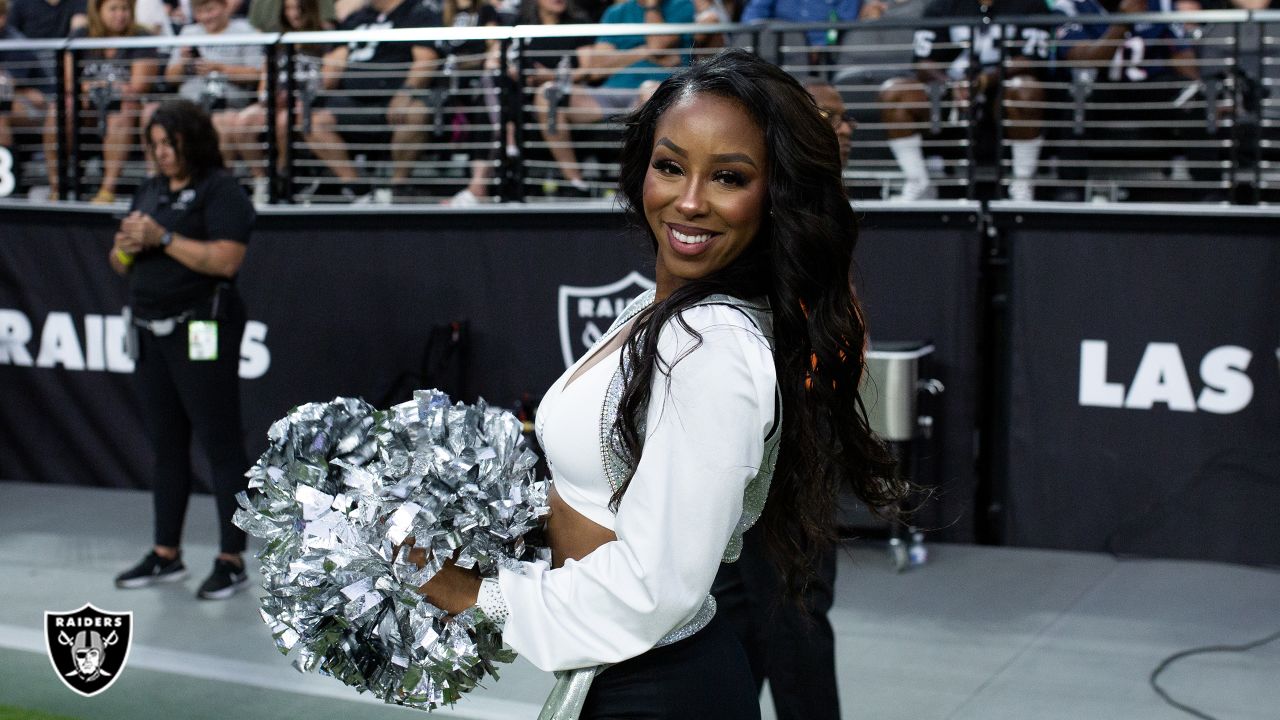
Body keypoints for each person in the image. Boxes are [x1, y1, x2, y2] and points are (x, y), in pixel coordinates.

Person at [413, 49, 902, 718]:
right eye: (670, 166)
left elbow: (655, 587)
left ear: (775, 192)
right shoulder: (661, 312)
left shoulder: (709, 346)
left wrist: (468, 593)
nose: (690, 200)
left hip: (658, 686)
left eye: (729, 176)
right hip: (625, 671)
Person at [708, 78, 854, 720]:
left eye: (848, 119)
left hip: (800, 434)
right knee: (743, 608)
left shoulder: (825, 210)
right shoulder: (771, 211)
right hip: (759, 430)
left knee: (787, 609)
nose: (845, 128)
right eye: (830, 117)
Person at [110, 98, 256, 601]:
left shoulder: (222, 191)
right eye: (154, 145)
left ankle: (231, 558)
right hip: (150, 330)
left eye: (170, 144)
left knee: (219, 442)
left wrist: (163, 236)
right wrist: (130, 243)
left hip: (202, 329)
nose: (162, 154)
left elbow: (225, 261)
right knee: (165, 445)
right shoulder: (149, 190)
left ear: (192, 141)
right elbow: (119, 258)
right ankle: (165, 553)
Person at [878, 0, 1062, 201]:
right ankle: (918, 182)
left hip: (1002, 95)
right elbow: (923, 61)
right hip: (951, 93)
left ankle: (1022, 182)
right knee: (895, 91)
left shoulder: (1031, 5)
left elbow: (1031, 60)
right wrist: (952, 84)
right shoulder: (941, 5)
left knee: (1026, 89)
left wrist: (985, 80)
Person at [531, 0, 694, 196]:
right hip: (610, 92)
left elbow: (658, 42)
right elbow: (598, 67)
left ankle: (640, 187)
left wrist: (651, 7)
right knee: (548, 94)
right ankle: (575, 182)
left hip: (656, 90)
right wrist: (644, 51)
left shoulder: (684, 5)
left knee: (649, 92)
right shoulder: (616, 12)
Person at [304, 0, 442, 201]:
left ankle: (398, 186)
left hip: (395, 98)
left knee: (416, 114)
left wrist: (405, 93)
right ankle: (356, 188)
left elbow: (426, 59)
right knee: (312, 120)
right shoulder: (358, 18)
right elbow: (334, 63)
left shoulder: (416, 12)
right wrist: (315, 90)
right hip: (353, 101)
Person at [43, 0, 160, 203]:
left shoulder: (141, 36)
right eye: (113, 9)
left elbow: (139, 86)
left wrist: (100, 88)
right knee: (61, 107)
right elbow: (70, 81)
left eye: (124, 9)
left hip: (125, 109)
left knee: (122, 108)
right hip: (87, 110)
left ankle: (107, 190)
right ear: (98, 11)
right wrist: (95, 89)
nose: (120, 15)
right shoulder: (81, 35)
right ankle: (57, 187)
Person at [228, 0, 332, 203]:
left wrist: (299, 98)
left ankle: (281, 175)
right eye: (289, 9)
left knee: (285, 120)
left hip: (307, 102)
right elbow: (264, 83)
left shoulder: (324, 38)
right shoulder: (277, 40)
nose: (294, 14)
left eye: (299, 8)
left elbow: (326, 80)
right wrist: (270, 97)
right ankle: (261, 180)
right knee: (242, 122)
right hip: (274, 102)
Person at [165, 0, 266, 169]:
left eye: (211, 9)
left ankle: (220, 184)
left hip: (228, 105)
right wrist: (183, 63)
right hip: (189, 105)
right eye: (200, 11)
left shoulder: (245, 31)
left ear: (225, 7)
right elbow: (170, 78)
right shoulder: (188, 33)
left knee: (221, 123)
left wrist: (220, 68)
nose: (206, 16)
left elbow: (256, 74)